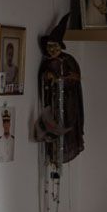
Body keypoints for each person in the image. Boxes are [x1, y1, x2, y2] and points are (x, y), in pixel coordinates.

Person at [35, 15, 84, 164]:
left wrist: (60, 80)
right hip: (53, 102)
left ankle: (65, 150)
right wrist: (47, 78)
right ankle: (54, 154)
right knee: (54, 127)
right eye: (49, 47)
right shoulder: (47, 63)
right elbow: (42, 80)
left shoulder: (69, 60)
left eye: (55, 46)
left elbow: (76, 78)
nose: (52, 50)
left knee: (67, 127)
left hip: (68, 102)